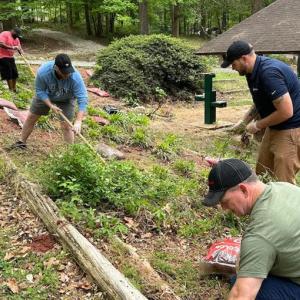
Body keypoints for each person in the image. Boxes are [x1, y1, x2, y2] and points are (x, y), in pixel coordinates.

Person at [203, 158, 300, 299]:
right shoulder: (284, 188)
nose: (224, 209)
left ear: (243, 190)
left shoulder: (260, 235)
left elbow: (242, 295)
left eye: (224, 201)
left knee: (243, 283)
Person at [222, 40, 300, 184]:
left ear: (244, 58)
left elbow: (286, 111)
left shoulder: (268, 73)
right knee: (263, 173)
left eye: (233, 64)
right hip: (275, 127)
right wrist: (244, 121)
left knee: (284, 183)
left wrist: (258, 125)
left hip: (292, 129)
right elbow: (261, 101)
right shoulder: (250, 73)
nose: (233, 68)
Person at [11, 53, 88, 149]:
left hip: (67, 99)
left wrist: (78, 121)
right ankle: (21, 142)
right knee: (31, 117)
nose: (67, 74)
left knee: (67, 126)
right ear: (56, 68)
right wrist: (50, 105)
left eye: (69, 71)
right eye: (64, 72)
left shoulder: (75, 77)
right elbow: (40, 91)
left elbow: (83, 98)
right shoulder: (43, 72)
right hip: (46, 95)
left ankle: (70, 153)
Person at [0, 27, 23, 92]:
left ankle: (14, 89)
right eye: (16, 34)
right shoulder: (5, 34)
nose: (17, 36)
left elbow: (19, 47)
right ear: (12, 31)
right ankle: (10, 90)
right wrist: (12, 47)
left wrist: (20, 50)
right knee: (8, 73)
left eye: (18, 35)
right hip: (2, 56)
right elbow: (1, 44)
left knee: (15, 73)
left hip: (10, 57)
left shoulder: (16, 39)